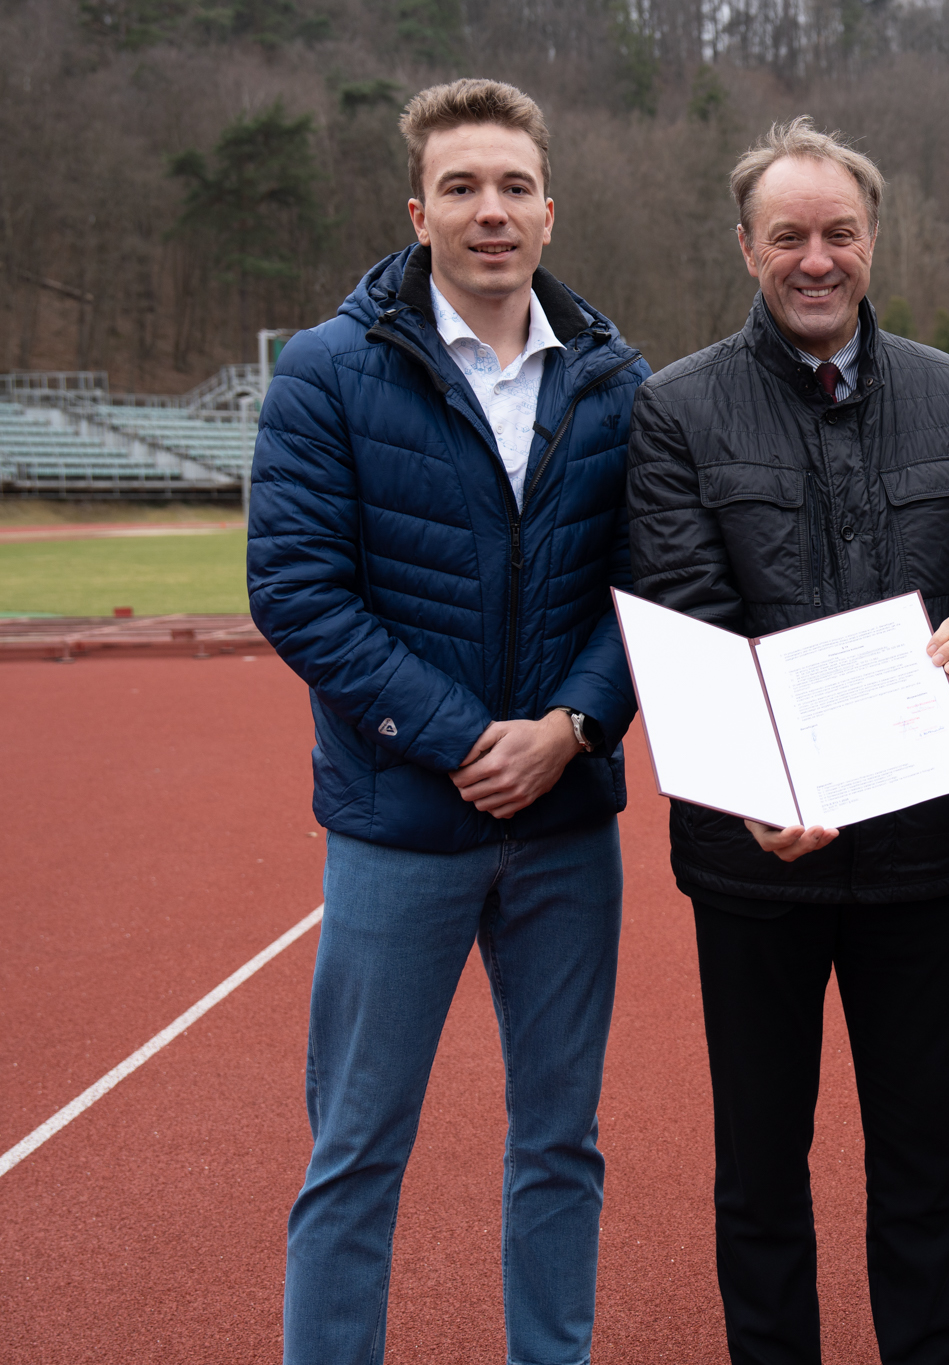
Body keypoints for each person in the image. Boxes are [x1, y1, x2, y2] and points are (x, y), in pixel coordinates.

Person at [247, 78, 649, 1365]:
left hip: (569, 826)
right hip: (398, 826)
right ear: (419, 211)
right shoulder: (325, 371)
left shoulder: (618, 380)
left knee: (559, 1143)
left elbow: (650, 588)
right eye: (463, 188)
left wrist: (573, 727)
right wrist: (472, 739)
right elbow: (297, 591)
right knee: (356, 1152)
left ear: (549, 210)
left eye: (514, 187)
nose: (492, 211)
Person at [625, 117, 949, 1365]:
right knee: (760, 1156)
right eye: (789, 235)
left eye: (838, 232)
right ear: (748, 248)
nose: (817, 257)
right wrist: (758, 787)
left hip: (919, 848)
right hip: (757, 859)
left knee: (923, 1150)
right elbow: (689, 622)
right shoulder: (675, 409)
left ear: (871, 241)